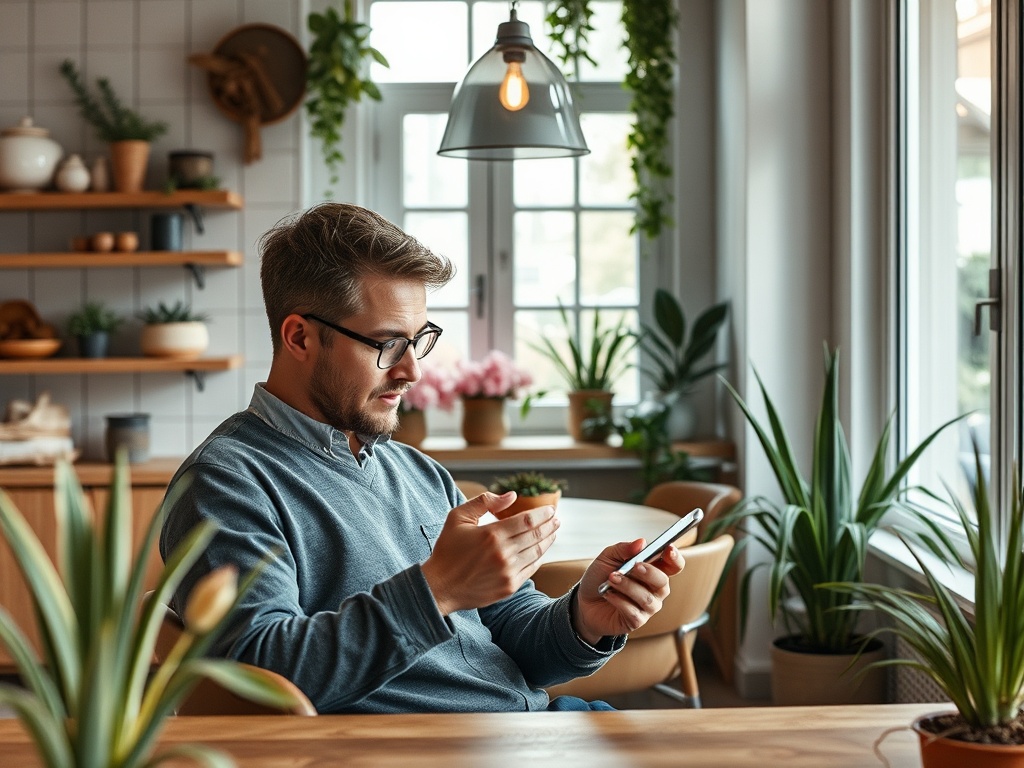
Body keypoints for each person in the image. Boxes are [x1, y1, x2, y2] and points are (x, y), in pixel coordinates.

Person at [159, 202, 684, 714]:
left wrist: (583, 619)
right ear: (300, 337)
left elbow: (509, 633)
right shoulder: (226, 483)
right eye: (387, 344)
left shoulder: (417, 472)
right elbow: (262, 678)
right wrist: (438, 589)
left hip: (530, 729)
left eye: (420, 340)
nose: (412, 370)